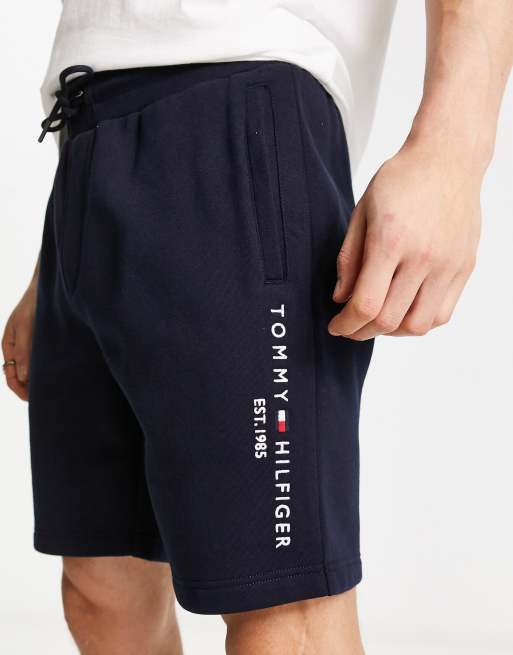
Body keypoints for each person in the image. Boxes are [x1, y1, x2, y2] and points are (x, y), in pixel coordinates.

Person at [2, 1, 512, 653]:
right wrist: (54, 269)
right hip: (86, 128)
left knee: (284, 614)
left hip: (237, 106)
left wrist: (452, 154)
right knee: (102, 587)